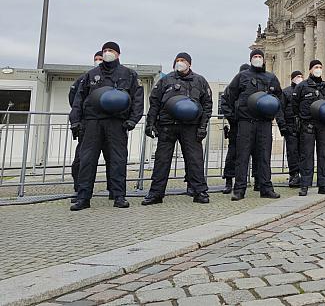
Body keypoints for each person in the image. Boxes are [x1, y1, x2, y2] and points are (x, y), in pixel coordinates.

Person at [69, 42, 144, 211]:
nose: (107, 53)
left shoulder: (129, 74)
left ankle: (119, 196)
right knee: (87, 160)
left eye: (110, 50)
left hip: (116, 123)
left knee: (118, 160)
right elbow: (79, 100)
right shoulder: (91, 75)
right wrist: (75, 121)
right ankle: (83, 197)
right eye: (105, 50)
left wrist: (133, 120)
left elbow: (138, 100)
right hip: (92, 123)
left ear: (118, 54)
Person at [142, 53, 212, 205]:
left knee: (195, 160)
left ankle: (200, 192)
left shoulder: (200, 81)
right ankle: (156, 193)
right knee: (162, 160)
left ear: (189, 64)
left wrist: (202, 126)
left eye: (183, 61)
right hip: (167, 125)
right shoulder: (165, 80)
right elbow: (154, 103)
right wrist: (150, 123)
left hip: (191, 127)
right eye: (178, 61)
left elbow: (207, 105)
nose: (180, 63)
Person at [223, 49, 283, 200]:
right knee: (242, 157)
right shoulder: (242, 77)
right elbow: (229, 96)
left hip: (264, 122)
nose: (257, 59)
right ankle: (239, 189)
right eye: (255, 56)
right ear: (250, 59)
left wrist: (273, 113)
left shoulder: (271, 77)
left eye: (259, 57)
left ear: (263, 59)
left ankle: (266, 188)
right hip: (245, 122)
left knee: (264, 156)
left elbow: (279, 98)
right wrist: (234, 117)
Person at [70, 51, 112, 203]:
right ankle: (80, 190)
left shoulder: (113, 79)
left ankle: (114, 191)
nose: (99, 61)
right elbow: (75, 100)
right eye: (97, 59)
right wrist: (76, 121)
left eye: (101, 59)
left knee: (113, 160)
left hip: (109, 126)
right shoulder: (85, 78)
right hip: (88, 126)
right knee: (81, 160)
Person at [292, 60, 325, 196]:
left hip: (323, 125)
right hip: (308, 124)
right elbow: (294, 105)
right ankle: (305, 185)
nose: (318, 69)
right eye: (316, 67)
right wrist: (303, 117)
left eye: (320, 67)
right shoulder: (302, 86)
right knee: (306, 155)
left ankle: (323, 184)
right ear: (310, 70)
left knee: (324, 155)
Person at [220, 63, 250, 194]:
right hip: (236, 125)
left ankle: (258, 181)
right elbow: (225, 102)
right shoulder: (232, 87)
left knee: (255, 154)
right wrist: (233, 118)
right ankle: (228, 181)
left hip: (250, 124)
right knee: (233, 154)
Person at [280, 70, 303, 188]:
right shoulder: (286, 92)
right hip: (290, 125)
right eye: (297, 76)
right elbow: (280, 110)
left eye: (301, 76)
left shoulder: (305, 90)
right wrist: (282, 126)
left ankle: (303, 175)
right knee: (292, 152)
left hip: (303, 125)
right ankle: (294, 175)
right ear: (293, 78)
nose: (300, 78)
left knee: (304, 152)